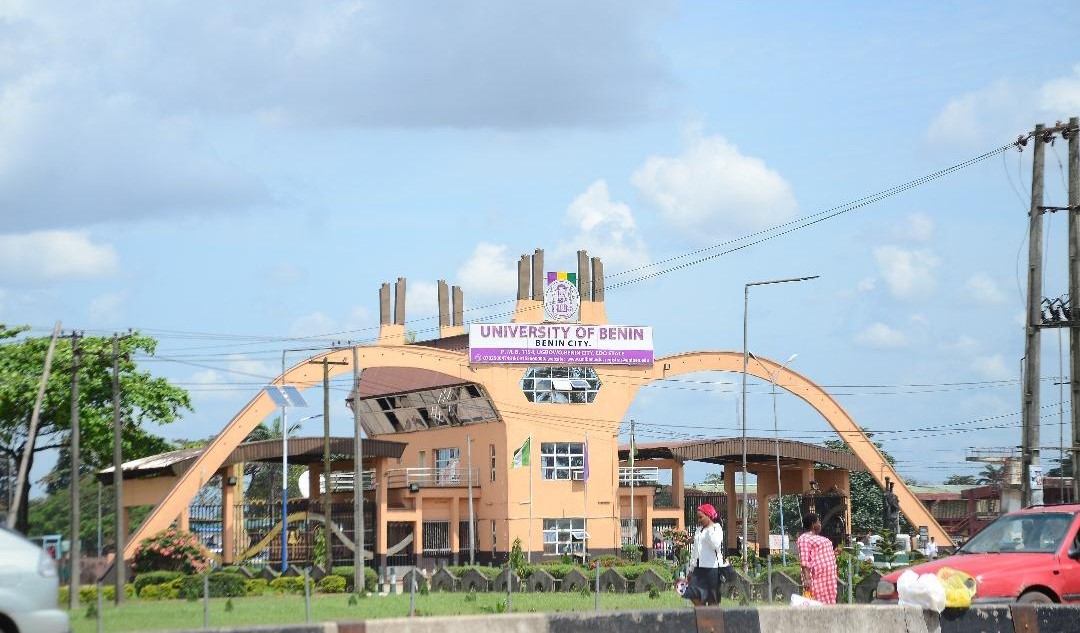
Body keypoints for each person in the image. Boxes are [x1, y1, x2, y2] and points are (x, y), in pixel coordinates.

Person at [681, 503, 726, 606]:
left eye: (701, 517)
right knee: (692, 595)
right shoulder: (698, 530)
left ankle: (713, 620)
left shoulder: (716, 528)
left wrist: (710, 528)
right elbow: (695, 551)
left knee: (712, 602)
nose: (699, 520)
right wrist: (691, 570)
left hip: (712, 569)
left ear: (709, 516)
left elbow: (715, 544)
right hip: (699, 569)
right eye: (698, 518)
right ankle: (703, 616)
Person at [797, 513, 838, 604]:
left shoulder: (820, 538)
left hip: (828, 580)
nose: (820, 524)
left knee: (829, 606)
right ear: (813, 524)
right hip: (817, 579)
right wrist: (807, 579)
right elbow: (804, 560)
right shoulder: (804, 539)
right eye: (818, 522)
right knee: (816, 604)